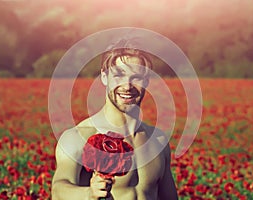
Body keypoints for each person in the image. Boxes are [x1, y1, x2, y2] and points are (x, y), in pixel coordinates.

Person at [52, 39, 178, 200]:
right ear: (104, 77)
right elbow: (58, 190)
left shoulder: (158, 140)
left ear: (147, 81)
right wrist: (88, 194)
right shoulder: (77, 137)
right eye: (119, 75)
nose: (127, 86)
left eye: (137, 77)